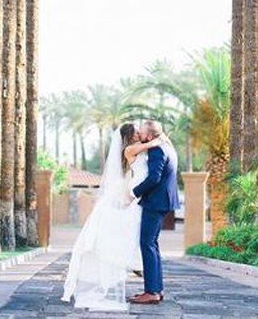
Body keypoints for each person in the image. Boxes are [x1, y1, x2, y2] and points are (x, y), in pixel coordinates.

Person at [62, 121, 161, 312]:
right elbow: (150, 145)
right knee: (135, 238)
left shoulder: (134, 149)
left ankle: (137, 268)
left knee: (135, 237)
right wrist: (159, 139)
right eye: (136, 132)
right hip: (133, 198)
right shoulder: (131, 149)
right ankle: (135, 268)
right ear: (130, 136)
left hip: (133, 197)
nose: (139, 133)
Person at [128, 119, 180, 306]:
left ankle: (151, 292)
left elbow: (154, 178)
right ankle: (156, 289)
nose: (139, 135)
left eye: (141, 132)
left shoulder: (157, 149)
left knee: (147, 244)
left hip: (155, 202)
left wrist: (133, 193)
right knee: (152, 244)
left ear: (149, 136)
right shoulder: (167, 146)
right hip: (163, 201)